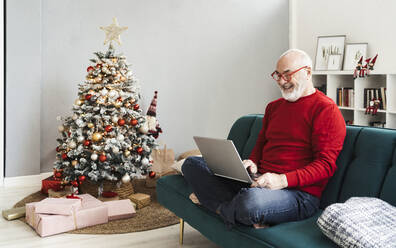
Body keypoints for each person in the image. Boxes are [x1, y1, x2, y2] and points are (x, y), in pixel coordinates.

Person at [182, 49, 346, 228]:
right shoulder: (273, 108)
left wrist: (282, 180)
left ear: (307, 73)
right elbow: (261, 143)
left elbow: (325, 166)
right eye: (278, 75)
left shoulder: (326, 110)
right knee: (191, 164)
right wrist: (252, 162)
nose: (282, 81)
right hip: (258, 181)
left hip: (298, 194)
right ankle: (233, 210)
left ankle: (217, 205)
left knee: (251, 202)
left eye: (287, 74)